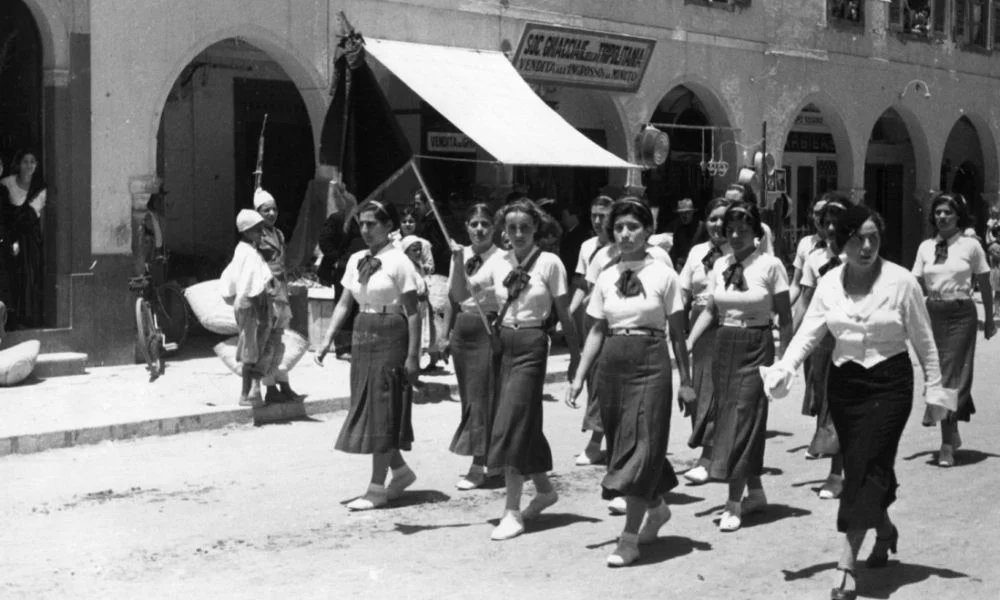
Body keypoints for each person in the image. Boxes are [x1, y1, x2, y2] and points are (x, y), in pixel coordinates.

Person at [765, 204, 955, 600]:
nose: (867, 246)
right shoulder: (830, 283)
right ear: (839, 243)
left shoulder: (902, 282)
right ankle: (884, 530)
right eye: (857, 238)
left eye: (874, 237)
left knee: (866, 465)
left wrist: (934, 390)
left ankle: (845, 563)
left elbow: (925, 342)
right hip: (846, 385)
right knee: (863, 465)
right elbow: (808, 334)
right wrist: (784, 368)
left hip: (890, 384)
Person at [568, 198, 695, 567]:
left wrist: (686, 381)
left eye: (633, 227)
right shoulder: (605, 275)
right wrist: (578, 377)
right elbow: (596, 329)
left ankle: (628, 539)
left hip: (651, 362)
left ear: (648, 232)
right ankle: (656, 509)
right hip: (611, 366)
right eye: (619, 228)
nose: (625, 234)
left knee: (642, 444)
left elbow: (677, 333)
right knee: (625, 444)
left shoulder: (665, 275)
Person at [451, 199, 582, 541]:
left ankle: (511, 511)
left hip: (533, 344)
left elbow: (565, 314)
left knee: (510, 422)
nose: (519, 234)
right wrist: (455, 260)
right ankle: (544, 490)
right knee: (519, 422)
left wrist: (576, 358)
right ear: (503, 231)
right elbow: (463, 293)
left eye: (525, 227)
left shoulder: (551, 263)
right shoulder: (498, 262)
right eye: (512, 228)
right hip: (500, 344)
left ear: (536, 227)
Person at [686, 201, 793, 532]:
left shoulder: (771, 266)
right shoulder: (720, 265)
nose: (733, 235)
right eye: (729, 230)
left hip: (757, 345)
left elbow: (785, 319)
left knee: (741, 421)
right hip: (724, 345)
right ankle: (756, 492)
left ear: (757, 234)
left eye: (742, 230)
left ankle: (734, 503)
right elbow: (711, 310)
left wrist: (785, 362)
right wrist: (688, 343)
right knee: (729, 418)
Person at [315, 199, 422, 511]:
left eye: (372, 223)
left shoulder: (400, 262)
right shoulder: (356, 259)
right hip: (363, 332)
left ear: (389, 227)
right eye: (361, 224)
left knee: (384, 408)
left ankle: (376, 488)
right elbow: (346, 302)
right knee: (371, 406)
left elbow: (414, 313)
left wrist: (413, 356)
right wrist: (327, 339)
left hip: (392, 332)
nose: (365, 230)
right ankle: (400, 472)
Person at [911, 193, 994, 467]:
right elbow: (915, 282)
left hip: (961, 315)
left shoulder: (971, 246)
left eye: (948, 212)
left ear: (958, 215)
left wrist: (990, 319)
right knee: (942, 374)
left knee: (948, 374)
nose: (942, 217)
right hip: (933, 314)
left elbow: (984, 283)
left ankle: (946, 445)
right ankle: (952, 430)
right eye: (938, 213)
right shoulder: (925, 247)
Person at [440, 203, 501, 490]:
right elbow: (454, 297)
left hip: (488, 328)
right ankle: (488, 456)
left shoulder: (503, 258)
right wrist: (444, 335)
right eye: (474, 224)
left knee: (482, 398)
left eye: (485, 224)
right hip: (463, 330)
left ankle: (478, 464)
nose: (479, 229)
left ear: (494, 228)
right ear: (466, 226)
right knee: (469, 399)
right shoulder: (460, 254)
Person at [794, 196, 849, 498]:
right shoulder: (815, 258)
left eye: (836, 223)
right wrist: (791, 340)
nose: (830, 228)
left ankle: (836, 475)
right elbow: (805, 300)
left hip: (853, 340)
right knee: (826, 402)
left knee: (842, 404)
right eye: (825, 222)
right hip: (823, 341)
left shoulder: (860, 256)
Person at [678, 197, 731, 485]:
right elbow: (683, 290)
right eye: (713, 219)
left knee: (716, 388)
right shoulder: (697, 252)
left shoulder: (739, 252)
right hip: (698, 322)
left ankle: (708, 457)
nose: (718, 225)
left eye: (724, 219)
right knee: (699, 386)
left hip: (725, 321)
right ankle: (713, 451)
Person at [567, 194, 615, 468]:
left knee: (602, 382)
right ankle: (599, 437)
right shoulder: (588, 248)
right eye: (594, 215)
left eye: (603, 216)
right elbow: (583, 285)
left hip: (615, 321)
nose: (598, 221)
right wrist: (568, 314)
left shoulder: (625, 248)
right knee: (592, 379)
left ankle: (596, 442)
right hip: (592, 321)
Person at [220, 210, 284, 407]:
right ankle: (246, 394)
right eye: (257, 231)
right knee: (251, 351)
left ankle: (253, 393)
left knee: (254, 349)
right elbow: (251, 287)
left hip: (250, 305)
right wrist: (263, 317)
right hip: (253, 306)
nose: (262, 234)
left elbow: (230, 283)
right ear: (247, 232)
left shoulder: (245, 251)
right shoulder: (248, 254)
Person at [254, 189, 301, 403]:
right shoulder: (255, 236)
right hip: (266, 294)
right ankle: (269, 386)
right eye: (266, 210)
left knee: (280, 341)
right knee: (267, 343)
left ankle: (282, 382)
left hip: (281, 292)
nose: (271, 213)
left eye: (274, 209)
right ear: (257, 212)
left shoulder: (279, 234)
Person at [0, 149, 46, 328]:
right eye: (25, 161)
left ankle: (22, 320)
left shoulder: (4, 190)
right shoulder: (7, 185)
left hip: (24, 241)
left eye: (33, 161)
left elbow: (10, 218)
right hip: (11, 239)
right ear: (18, 164)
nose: (29, 165)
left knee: (24, 278)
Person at [401, 235, 438, 374]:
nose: (418, 253)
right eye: (414, 250)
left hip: (422, 304)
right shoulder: (406, 267)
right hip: (411, 306)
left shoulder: (419, 266)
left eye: (419, 250)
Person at [789, 195, 832, 308]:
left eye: (823, 213)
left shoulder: (842, 246)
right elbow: (796, 285)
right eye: (816, 213)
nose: (820, 218)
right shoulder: (805, 243)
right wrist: (782, 311)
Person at [724, 184, 774, 255]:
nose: (729, 206)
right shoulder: (718, 225)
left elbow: (768, 258)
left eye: (734, 203)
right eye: (726, 202)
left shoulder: (762, 229)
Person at [412, 189, 451, 275]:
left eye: (418, 203)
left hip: (438, 268)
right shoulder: (429, 219)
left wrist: (422, 257)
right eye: (415, 204)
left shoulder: (434, 221)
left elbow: (438, 246)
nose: (416, 207)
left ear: (428, 204)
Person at [665, 198, 708, 270]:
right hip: (682, 266)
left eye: (687, 212)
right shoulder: (678, 229)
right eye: (681, 213)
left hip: (698, 265)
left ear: (692, 212)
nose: (684, 216)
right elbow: (675, 251)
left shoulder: (702, 227)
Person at [558, 200, 590, 275]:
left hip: (575, 274)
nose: (563, 219)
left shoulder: (583, 234)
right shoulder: (565, 232)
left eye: (565, 216)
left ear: (573, 216)